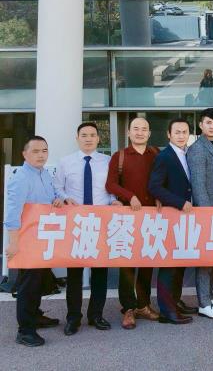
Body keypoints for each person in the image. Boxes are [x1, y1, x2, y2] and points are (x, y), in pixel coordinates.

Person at [54, 122, 122, 335]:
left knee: (100, 272)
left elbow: (111, 188)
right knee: (75, 274)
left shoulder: (107, 161)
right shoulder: (65, 162)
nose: (88, 138)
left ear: (98, 139)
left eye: (92, 135)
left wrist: (113, 200)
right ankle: (73, 318)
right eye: (84, 135)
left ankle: (96, 315)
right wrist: (65, 198)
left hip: (101, 222)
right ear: (77, 138)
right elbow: (57, 187)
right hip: (78, 224)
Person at [5, 136, 63, 347]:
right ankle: (25, 330)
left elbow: (51, 196)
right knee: (28, 285)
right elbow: (12, 212)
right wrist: (14, 242)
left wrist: (58, 199)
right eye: (36, 151)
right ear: (24, 154)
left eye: (44, 151)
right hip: (27, 239)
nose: (41, 155)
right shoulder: (21, 176)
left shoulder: (45, 174)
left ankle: (35, 316)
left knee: (39, 281)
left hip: (42, 238)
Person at [105, 117, 161, 329]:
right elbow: (110, 184)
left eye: (144, 129)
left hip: (150, 217)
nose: (140, 132)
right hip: (128, 217)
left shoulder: (156, 154)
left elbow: (161, 179)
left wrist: (159, 196)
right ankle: (128, 308)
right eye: (136, 129)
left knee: (147, 261)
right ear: (129, 133)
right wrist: (130, 196)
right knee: (128, 264)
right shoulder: (119, 156)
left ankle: (143, 304)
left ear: (149, 133)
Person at [148, 118, 197, 325]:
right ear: (169, 135)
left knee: (180, 264)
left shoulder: (187, 154)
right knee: (168, 266)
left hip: (185, 219)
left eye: (184, 132)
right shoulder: (165, 156)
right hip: (171, 216)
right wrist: (179, 202)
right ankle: (167, 311)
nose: (181, 135)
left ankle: (174, 302)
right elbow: (154, 187)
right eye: (177, 132)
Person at [186, 109, 213, 320]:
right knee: (205, 258)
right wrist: (206, 213)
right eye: (208, 122)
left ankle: (209, 296)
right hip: (207, 210)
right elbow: (198, 184)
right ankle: (203, 303)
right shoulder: (197, 149)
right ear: (201, 125)